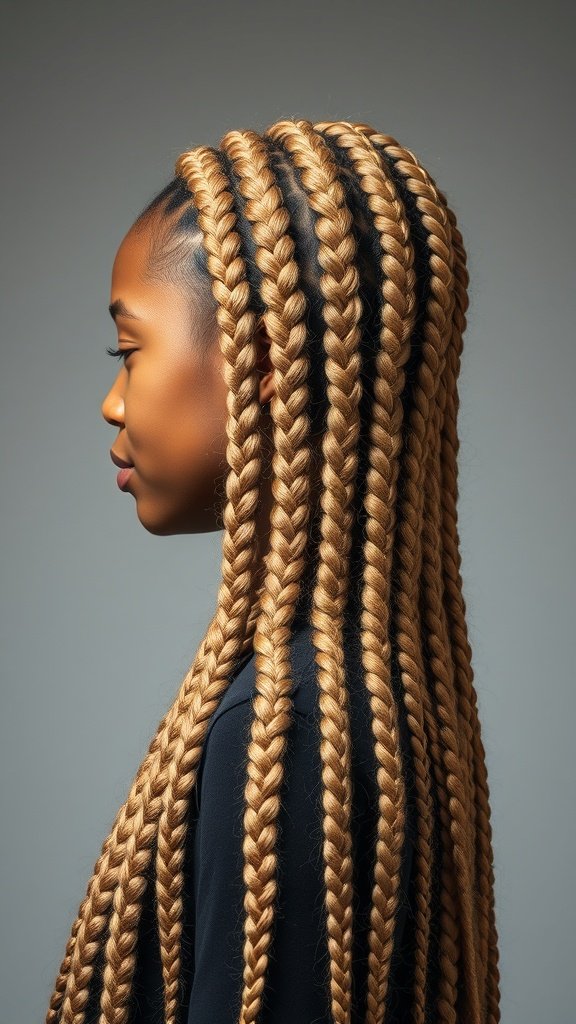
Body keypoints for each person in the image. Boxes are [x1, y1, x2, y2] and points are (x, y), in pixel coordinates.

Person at [44, 118, 501, 1024]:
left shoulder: (286, 736)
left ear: (264, 360)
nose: (113, 401)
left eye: (127, 352)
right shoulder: (364, 705)